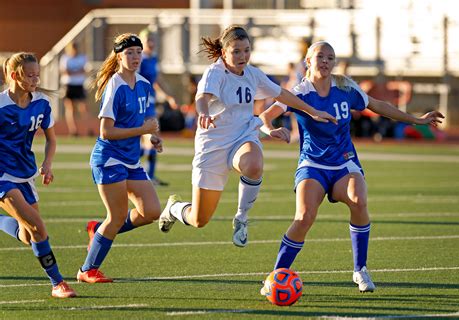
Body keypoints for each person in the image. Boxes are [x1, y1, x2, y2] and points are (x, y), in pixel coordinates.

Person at [258, 41, 444, 293]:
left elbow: (377, 105)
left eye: (330, 57)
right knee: (304, 217)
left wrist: (416, 119)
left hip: (344, 163)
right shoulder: (299, 92)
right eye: (320, 56)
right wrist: (271, 129)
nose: (325, 61)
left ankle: (360, 270)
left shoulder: (345, 86)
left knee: (359, 199)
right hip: (312, 164)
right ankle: (276, 276)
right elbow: (265, 116)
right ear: (308, 62)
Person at [158, 25, 336, 248]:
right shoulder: (215, 72)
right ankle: (174, 208)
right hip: (212, 146)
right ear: (224, 53)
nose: (243, 56)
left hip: (243, 137)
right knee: (199, 219)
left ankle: (241, 217)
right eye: (236, 51)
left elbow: (282, 94)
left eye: (246, 50)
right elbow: (202, 97)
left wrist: (313, 110)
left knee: (253, 164)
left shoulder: (252, 74)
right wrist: (202, 112)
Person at [76, 33, 163, 283]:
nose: (136, 57)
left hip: (130, 159)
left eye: (138, 52)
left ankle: (97, 230)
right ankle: (86, 270)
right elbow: (106, 131)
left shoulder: (144, 84)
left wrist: (152, 137)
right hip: (109, 158)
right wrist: (142, 131)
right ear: (118, 56)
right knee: (115, 216)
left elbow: (144, 122)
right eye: (129, 53)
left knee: (151, 211)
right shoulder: (114, 85)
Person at [0, 52, 77, 298]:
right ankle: (58, 283)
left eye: (37, 75)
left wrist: (48, 164)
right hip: (2, 175)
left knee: (27, 234)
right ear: (14, 76)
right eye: (30, 75)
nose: (35, 79)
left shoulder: (42, 103)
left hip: (26, 174)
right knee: (38, 227)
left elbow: (51, 140)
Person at [138, 28, 178, 186]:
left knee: (153, 138)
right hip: (141, 103)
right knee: (149, 138)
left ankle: (149, 175)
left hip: (151, 102)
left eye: (153, 39)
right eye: (148, 40)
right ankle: (140, 172)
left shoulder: (153, 59)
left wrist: (169, 96)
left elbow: (158, 80)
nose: (151, 43)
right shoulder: (138, 59)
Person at [59, 42, 91, 136]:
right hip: (69, 85)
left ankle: (88, 129)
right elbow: (65, 72)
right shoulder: (65, 58)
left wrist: (74, 72)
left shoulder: (83, 57)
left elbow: (85, 70)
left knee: (84, 108)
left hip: (79, 84)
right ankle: (73, 130)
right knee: (70, 108)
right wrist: (78, 71)